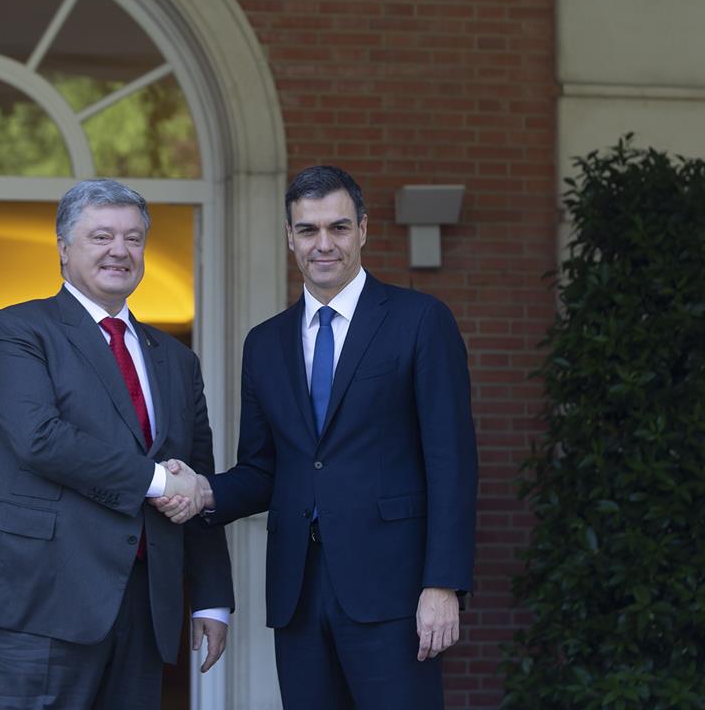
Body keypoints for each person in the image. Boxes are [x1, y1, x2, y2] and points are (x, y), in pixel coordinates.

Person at [160, 165, 478, 709]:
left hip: (395, 592)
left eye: (338, 227)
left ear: (363, 230)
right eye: (308, 230)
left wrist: (443, 584)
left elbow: (451, 462)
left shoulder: (419, 320)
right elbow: (263, 469)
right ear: (290, 238)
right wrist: (204, 492)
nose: (323, 244)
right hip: (299, 594)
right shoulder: (265, 343)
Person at [0, 178, 233, 709]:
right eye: (101, 236)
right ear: (63, 247)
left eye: (133, 238)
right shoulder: (17, 331)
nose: (119, 251)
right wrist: (156, 481)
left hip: (147, 602)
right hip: (47, 595)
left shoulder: (175, 358)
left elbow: (197, 476)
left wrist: (212, 598)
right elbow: (40, 439)